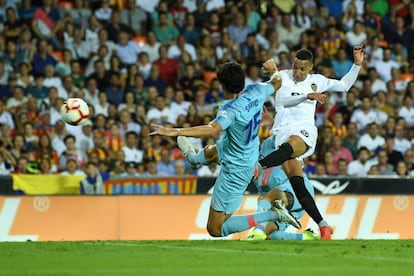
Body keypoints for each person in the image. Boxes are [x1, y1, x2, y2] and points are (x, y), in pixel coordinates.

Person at [150, 60, 301, 238]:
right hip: (244, 150)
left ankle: (273, 214)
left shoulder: (230, 109)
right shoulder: (257, 91)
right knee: (213, 151)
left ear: (222, 85)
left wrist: (175, 131)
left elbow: (212, 129)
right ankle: (193, 158)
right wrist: (273, 70)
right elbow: (277, 81)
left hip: (237, 167)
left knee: (215, 229)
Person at [257, 46, 364, 240]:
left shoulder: (318, 81)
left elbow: (344, 85)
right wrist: (305, 95)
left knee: (290, 147)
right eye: (295, 67)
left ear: (311, 68)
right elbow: (282, 98)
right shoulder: (282, 77)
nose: (297, 72)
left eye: (302, 69)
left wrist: (356, 65)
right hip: (281, 133)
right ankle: (323, 227)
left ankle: (258, 166)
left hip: (303, 132)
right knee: (298, 185)